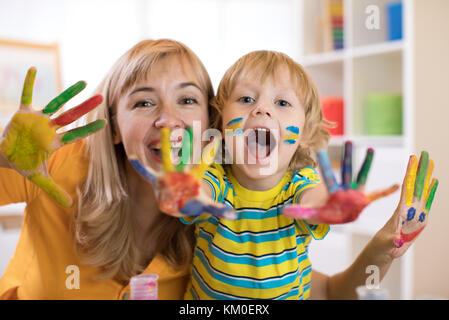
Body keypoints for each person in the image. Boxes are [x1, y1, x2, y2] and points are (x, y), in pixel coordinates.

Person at [163, 50, 438, 300]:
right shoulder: (218, 180)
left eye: (282, 102)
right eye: (246, 99)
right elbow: (200, 195)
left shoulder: (298, 185)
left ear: (305, 133)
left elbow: (312, 202)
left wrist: (331, 204)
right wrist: (185, 191)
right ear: (221, 123)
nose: (262, 109)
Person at [0, 39, 218, 299]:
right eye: (144, 103)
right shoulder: (53, 164)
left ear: (208, 123)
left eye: (187, 99)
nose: (168, 121)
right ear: (114, 127)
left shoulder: (221, 208)